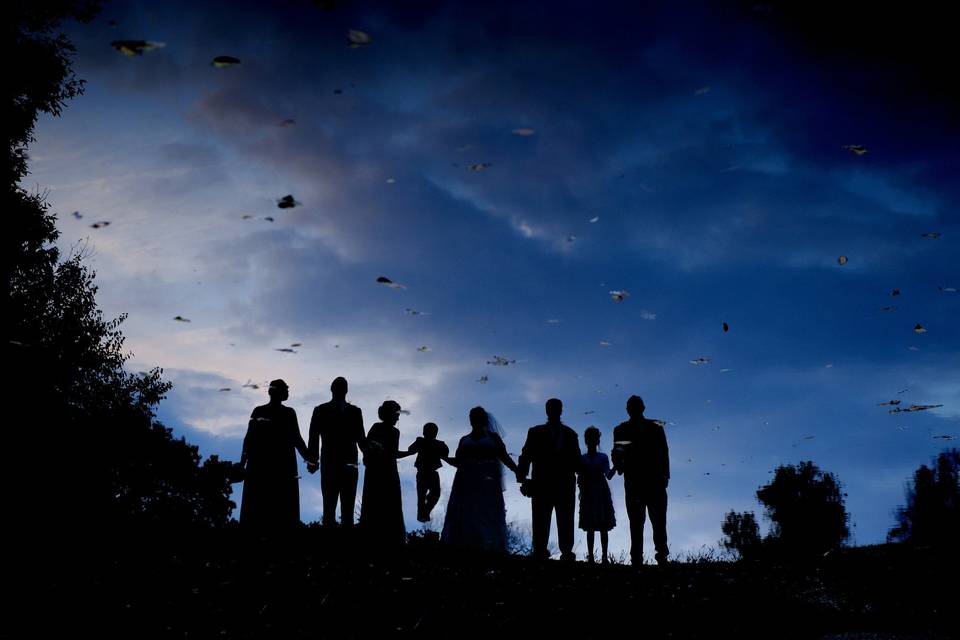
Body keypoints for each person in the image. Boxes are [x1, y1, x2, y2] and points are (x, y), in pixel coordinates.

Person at [238, 379, 315, 534]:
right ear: (278, 392)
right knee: (274, 512)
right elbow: (296, 439)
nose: (288, 392)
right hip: (275, 470)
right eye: (286, 389)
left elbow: (249, 439)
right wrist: (310, 459)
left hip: (271, 469)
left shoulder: (270, 412)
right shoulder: (284, 413)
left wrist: (243, 462)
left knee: (267, 512)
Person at [441, 407, 519, 552]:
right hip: (465, 482)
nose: (473, 420)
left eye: (476, 416)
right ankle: (464, 545)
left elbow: (504, 456)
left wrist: (517, 470)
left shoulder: (493, 438)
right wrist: (443, 457)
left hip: (487, 482)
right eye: (471, 416)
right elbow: (458, 461)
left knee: (486, 512)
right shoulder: (464, 439)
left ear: (483, 419)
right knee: (466, 512)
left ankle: (487, 546)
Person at [517, 398, 582, 561]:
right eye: (552, 408)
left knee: (565, 518)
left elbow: (576, 460)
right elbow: (525, 456)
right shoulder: (535, 432)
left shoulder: (571, 434)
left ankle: (566, 551)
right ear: (548, 411)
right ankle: (540, 550)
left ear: (560, 410)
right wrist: (523, 479)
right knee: (540, 519)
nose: (554, 411)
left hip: (564, 485)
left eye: (556, 408)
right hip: (542, 484)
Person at [611, 395, 670, 565]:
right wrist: (618, 462)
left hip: (654, 481)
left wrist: (665, 475)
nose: (633, 410)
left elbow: (663, 452)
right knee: (636, 521)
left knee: (658, 520)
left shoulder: (655, 427)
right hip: (635, 482)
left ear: (642, 408)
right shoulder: (621, 429)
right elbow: (618, 451)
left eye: (635, 406)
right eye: (631, 407)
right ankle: (637, 557)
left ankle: (660, 555)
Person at [307, 377, 366, 528]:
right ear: (332, 389)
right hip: (330, 463)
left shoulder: (355, 411)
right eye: (338, 387)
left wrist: (370, 453)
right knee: (329, 507)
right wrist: (313, 460)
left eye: (342, 387)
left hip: (349, 464)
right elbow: (313, 437)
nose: (340, 390)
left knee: (348, 509)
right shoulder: (320, 410)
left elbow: (361, 438)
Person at [359, 400, 406, 546]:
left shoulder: (391, 431)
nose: (398, 418)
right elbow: (386, 452)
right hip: (381, 472)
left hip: (384, 471)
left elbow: (389, 453)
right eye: (396, 414)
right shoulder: (381, 429)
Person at [578, 426, 617, 563]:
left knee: (598, 526)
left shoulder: (586, 458)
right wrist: (617, 465)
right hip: (593, 492)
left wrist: (617, 465)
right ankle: (597, 556)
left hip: (597, 492)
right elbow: (609, 475)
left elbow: (609, 475)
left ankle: (599, 556)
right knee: (596, 526)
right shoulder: (590, 458)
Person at [404, 422, 449, 523]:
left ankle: (424, 512)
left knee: (434, 494)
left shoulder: (439, 444)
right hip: (423, 472)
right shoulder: (422, 441)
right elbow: (411, 450)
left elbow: (445, 453)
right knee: (422, 496)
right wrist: (418, 442)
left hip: (432, 472)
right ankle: (423, 514)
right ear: (424, 432)